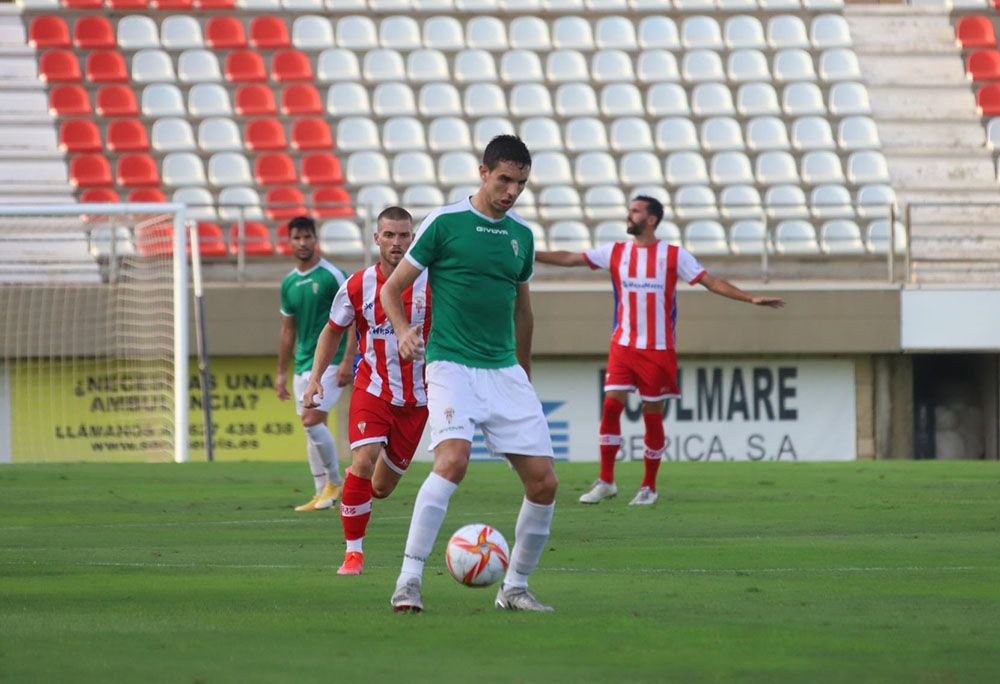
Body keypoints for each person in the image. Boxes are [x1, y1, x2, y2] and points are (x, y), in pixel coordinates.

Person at [380, 135, 559, 613]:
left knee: (544, 483)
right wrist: (401, 331)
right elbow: (392, 290)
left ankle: (515, 587)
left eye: (520, 183)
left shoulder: (522, 236)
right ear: (483, 173)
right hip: (451, 364)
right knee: (453, 461)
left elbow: (524, 312)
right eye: (504, 180)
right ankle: (408, 580)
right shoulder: (446, 223)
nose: (511, 192)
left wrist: (523, 371)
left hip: (504, 371)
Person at [536, 196, 785, 505]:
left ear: (651, 219)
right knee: (611, 407)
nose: (629, 216)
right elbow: (570, 258)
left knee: (651, 416)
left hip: (657, 349)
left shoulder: (673, 255)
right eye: (629, 211)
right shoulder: (615, 252)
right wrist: (529, 254)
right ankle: (606, 481)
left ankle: (648, 487)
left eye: (635, 212)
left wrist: (750, 298)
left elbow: (710, 280)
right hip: (623, 346)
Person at [302, 207, 431, 576]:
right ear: (376, 238)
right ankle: (353, 554)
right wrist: (315, 378)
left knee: (382, 487)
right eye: (389, 235)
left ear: (413, 239)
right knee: (363, 459)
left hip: (417, 399)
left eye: (404, 236)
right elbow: (332, 330)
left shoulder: (432, 283)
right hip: (372, 387)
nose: (396, 242)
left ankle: (360, 488)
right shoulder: (357, 286)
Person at [277, 215, 354, 512]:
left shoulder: (332, 275)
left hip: (331, 362)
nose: (303, 242)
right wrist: (282, 372)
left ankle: (335, 481)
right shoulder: (289, 283)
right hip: (303, 364)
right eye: (297, 237)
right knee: (311, 427)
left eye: (307, 237)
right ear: (290, 242)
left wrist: (349, 358)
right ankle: (321, 492)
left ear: (315, 239)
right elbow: (287, 330)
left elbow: (351, 320)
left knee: (311, 420)